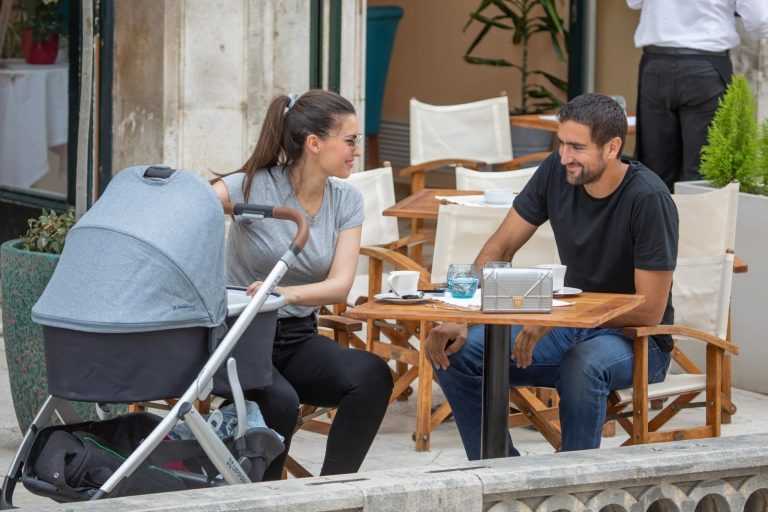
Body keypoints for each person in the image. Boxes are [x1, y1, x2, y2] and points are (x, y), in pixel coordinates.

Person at [426, 94, 679, 460]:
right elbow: (500, 247)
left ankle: (572, 482)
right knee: (457, 353)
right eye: (561, 144)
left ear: (612, 148)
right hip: (569, 328)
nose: (564, 157)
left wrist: (556, 317)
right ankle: (502, 472)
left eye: (577, 147)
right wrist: (461, 316)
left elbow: (649, 310)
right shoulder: (555, 173)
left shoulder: (648, 198)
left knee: (583, 364)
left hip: (636, 341)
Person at [212, 90, 393, 479]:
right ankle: (264, 502)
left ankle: (332, 493)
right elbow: (190, 207)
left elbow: (340, 286)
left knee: (372, 375)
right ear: (314, 143)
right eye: (350, 140)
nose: (356, 150)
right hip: (239, 340)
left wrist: (282, 293)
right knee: (280, 403)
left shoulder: (346, 200)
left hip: (296, 337)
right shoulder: (251, 186)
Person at [629, 0, 768, 191]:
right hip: (706, 67)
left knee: (655, 170)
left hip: (656, 65)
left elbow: (633, 2)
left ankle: (657, 211)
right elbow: (760, 20)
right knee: (702, 173)